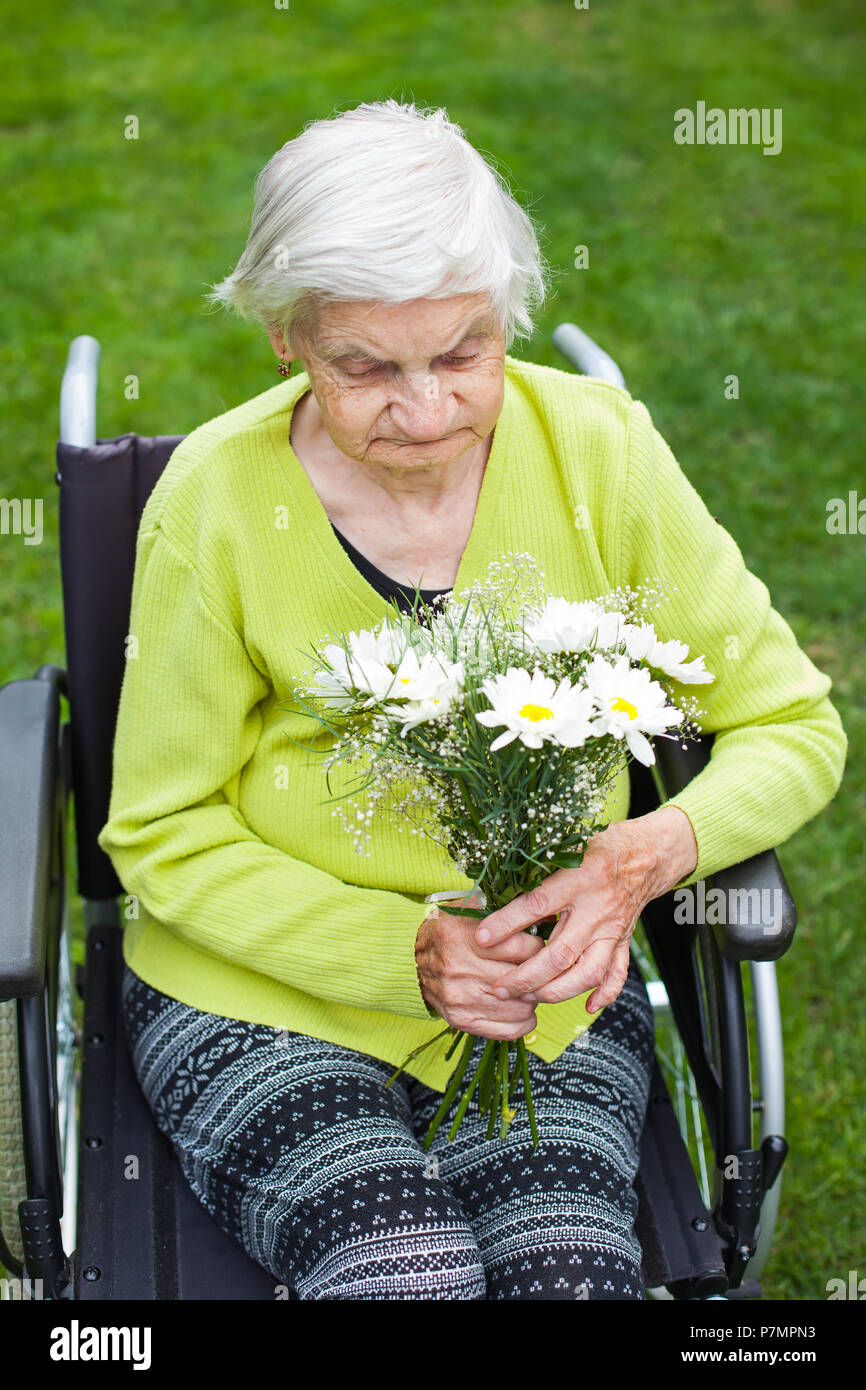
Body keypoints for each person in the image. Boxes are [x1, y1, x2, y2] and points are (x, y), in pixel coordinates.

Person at [98, 99, 847, 1300]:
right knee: (402, 1273)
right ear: (286, 337)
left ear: (506, 320)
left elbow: (790, 722)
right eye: (365, 367)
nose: (427, 410)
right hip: (264, 993)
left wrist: (642, 856)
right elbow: (159, 828)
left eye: (462, 354)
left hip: (542, 998)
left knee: (572, 1276)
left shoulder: (596, 449)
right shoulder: (216, 502)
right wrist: (398, 949)